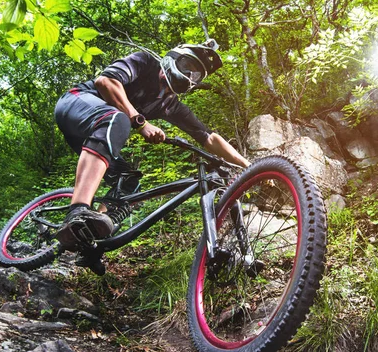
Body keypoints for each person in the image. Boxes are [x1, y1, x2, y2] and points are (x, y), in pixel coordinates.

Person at [53, 39, 250, 271]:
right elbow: (105, 81)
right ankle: (77, 211)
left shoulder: (170, 104)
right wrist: (140, 121)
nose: (189, 75)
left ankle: (89, 239)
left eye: (196, 75)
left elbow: (208, 137)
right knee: (116, 119)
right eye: (188, 66)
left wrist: (249, 166)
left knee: (129, 184)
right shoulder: (146, 62)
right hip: (76, 103)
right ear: (175, 57)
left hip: (95, 136)